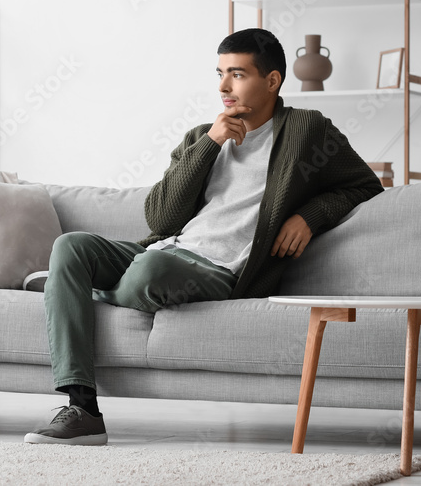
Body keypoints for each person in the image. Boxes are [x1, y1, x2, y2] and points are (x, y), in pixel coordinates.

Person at [24, 28, 384, 445]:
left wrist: (309, 215)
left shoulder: (307, 130)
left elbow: (364, 185)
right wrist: (210, 145)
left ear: (272, 80)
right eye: (220, 73)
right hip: (164, 250)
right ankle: (82, 408)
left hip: (219, 271)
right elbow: (160, 217)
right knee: (71, 246)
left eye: (237, 74)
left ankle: (63, 290)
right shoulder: (201, 136)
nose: (223, 87)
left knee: (147, 272)